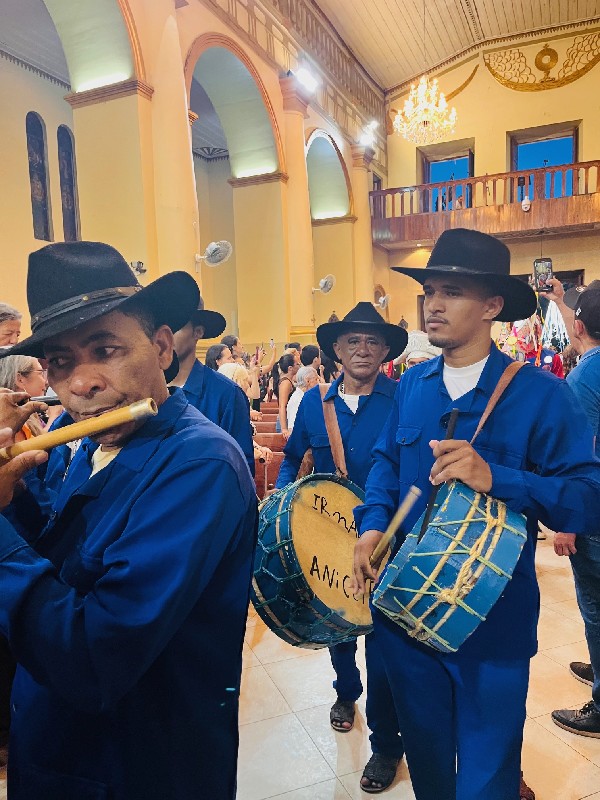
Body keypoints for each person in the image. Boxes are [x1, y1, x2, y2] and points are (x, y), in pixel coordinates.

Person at [0, 240, 257, 799]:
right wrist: (11, 495)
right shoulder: (90, 444)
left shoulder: (201, 465)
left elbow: (93, 660)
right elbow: (60, 553)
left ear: (162, 347)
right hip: (56, 753)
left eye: (106, 349)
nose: (82, 383)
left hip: (136, 768)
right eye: (60, 362)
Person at [352, 228, 600, 800]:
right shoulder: (411, 387)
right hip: (408, 617)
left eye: (453, 292)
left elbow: (589, 497)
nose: (434, 305)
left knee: (488, 778)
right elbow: (387, 463)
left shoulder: (540, 394)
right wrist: (372, 524)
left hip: (493, 623)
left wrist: (500, 479)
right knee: (431, 769)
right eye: (430, 291)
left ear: (492, 306)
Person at [276, 302, 408, 793]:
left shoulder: (404, 399)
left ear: (386, 350)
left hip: (389, 538)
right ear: (335, 348)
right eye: (353, 341)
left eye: (373, 341)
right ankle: (345, 691)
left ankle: (387, 745)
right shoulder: (315, 404)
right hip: (329, 535)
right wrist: (283, 502)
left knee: (385, 639)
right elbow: (292, 458)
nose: (363, 350)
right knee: (337, 623)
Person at [545, 280, 600, 737]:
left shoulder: (582, 380)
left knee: (596, 607)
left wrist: (566, 521)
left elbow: (577, 457)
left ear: (579, 327)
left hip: (594, 514)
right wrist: (562, 303)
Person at [171, 302, 255, 475]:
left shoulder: (227, 394)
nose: (164, 336)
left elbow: (240, 469)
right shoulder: (144, 392)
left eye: (174, 326)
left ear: (198, 332)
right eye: (158, 327)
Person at [218, 362, 273, 466]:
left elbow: (245, 438)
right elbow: (230, 442)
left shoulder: (238, 404)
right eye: (244, 380)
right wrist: (253, 452)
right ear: (234, 381)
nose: (247, 385)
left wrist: (259, 448)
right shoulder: (225, 409)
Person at [285, 365, 319, 431]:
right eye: (316, 379)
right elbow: (292, 428)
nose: (318, 383)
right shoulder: (297, 399)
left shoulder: (305, 396)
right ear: (307, 381)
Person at [276, 352, 299, 439]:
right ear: (290, 368)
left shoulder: (290, 380)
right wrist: (284, 428)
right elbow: (282, 406)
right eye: (297, 364)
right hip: (285, 421)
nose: (299, 365)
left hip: (288, 419)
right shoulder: (286, 383)